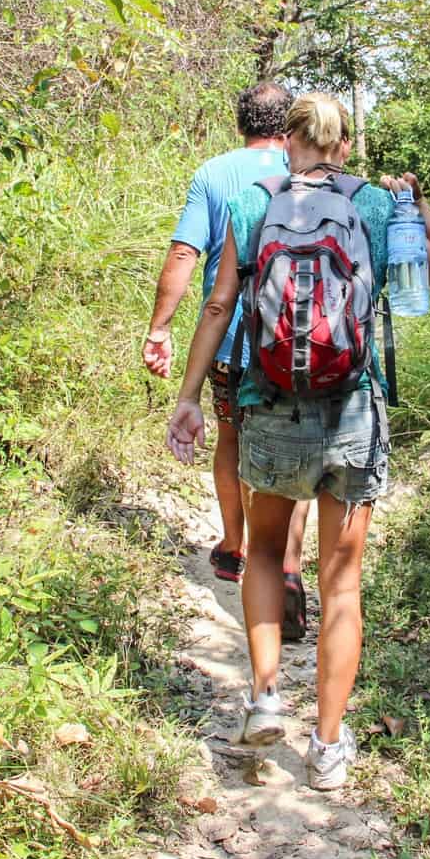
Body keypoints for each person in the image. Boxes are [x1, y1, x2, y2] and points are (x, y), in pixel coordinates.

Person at [165, 91, 430, 790]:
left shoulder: (253, 200)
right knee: (340, 583)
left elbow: (219, 304)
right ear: (345, 145)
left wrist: (188, 399)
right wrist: (414, 205)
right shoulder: (372, 205)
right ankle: (328, 745)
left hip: (269, 404)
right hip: (352, 412)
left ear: (289, 140)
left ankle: (266, 697)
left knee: (267, 550)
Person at [144, 84, 313, 638]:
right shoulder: (306, 169)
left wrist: (161, 327)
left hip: (233, 340)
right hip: (297, 341)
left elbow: (184, 252)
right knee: (292, 443)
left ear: (239, 122)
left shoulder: (214, 174)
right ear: (286, 124)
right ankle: (288, 560)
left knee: (231, 436)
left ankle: (237, 544)